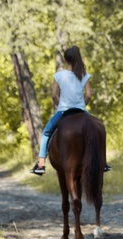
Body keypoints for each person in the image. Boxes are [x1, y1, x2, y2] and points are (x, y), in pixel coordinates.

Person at [30, 46, 92, 175]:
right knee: (95, 132)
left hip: (63, 111)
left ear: (65, 60)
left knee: (46, 132)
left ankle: (41, 164)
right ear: (77, 59)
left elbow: (53, 95)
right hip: (80, 111)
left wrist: (60, 106)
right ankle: (103, 163)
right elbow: (88, 95)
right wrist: (82, 106)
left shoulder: (59, 75)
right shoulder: (83, 75)